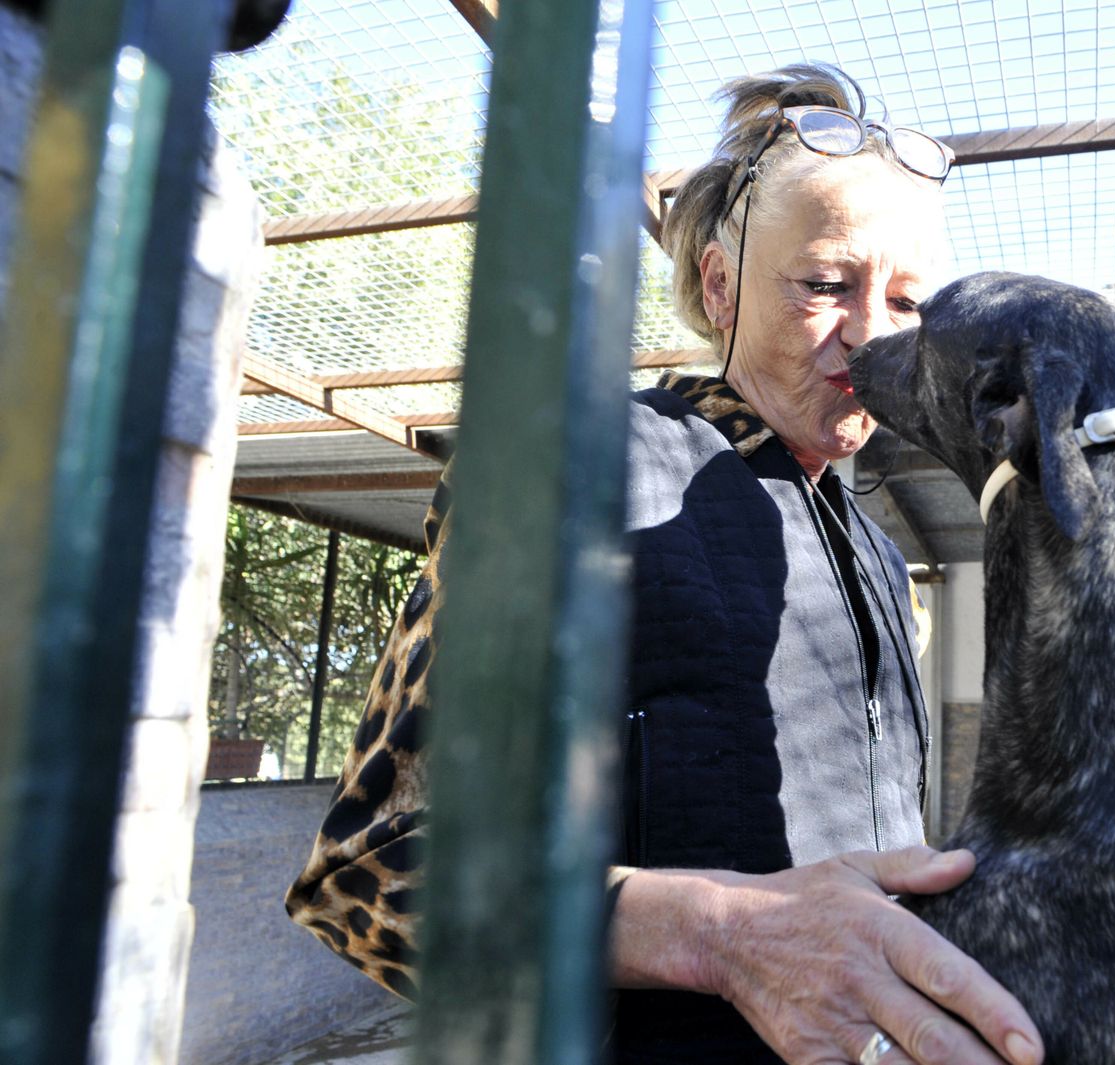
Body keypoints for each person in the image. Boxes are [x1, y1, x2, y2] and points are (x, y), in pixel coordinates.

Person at [286, 64, 1042, 1065]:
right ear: (720, 284)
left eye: (905, 302)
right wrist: (727, 935)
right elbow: (366, 880)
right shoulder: (570, 459)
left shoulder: (874, 547)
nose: (871, 335)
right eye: (824, 284)